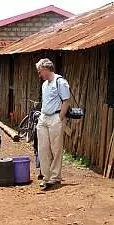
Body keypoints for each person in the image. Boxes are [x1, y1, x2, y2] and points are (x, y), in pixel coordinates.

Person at [35, 58, 70, 190]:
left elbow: (66, 101)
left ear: (46, 69)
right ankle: (46, 177)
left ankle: (55, 177)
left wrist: (60, 118)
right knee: (43, 149)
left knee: (56, 149)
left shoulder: (60, 82)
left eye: (40, 72)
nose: (40, 75)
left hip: (55, 117)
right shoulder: (45, 84)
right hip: (44, 117)